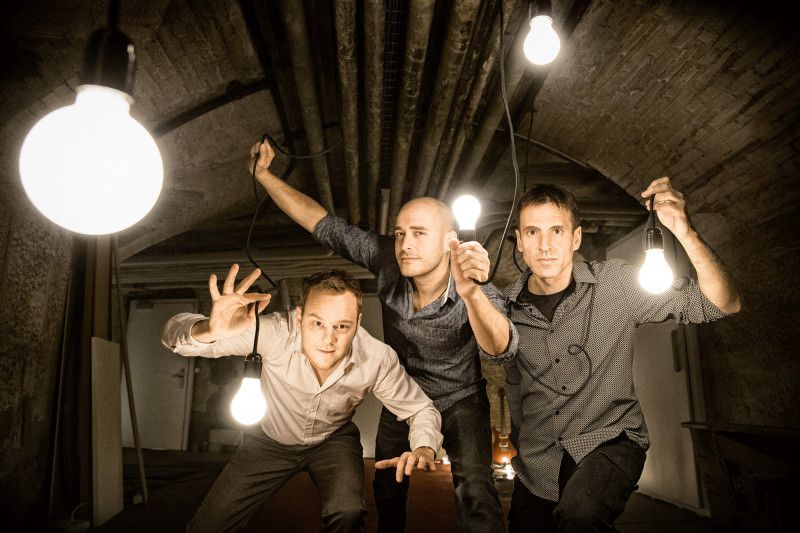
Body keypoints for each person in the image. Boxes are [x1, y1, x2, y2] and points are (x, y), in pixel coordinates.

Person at [248, 140, 517, 533]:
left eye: (419, 233)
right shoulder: (387, 258)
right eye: (400, 233)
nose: (405, 245)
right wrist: (264, 176)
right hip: (402, 395)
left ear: (450, 241)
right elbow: (322, 224)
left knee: (476, 492)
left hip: (461, 397)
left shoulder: (476, 288)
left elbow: (499, 350)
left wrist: (472, 292)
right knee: (387, 488)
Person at [495, 180, 741, 532]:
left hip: (610, 441)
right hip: (538, 461)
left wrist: (685, 231)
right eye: (533, 232)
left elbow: (722, 303)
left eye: (557, 231)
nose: (545, 245)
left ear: (576, 238)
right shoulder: (502, 310)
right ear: (520, 241)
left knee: (580, 516)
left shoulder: (617, 285)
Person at [162, 266, 443, 533]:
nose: (329, 339)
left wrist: (424, 448)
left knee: (348, 512)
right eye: (317, 323)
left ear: (358, 323)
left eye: (342, 326)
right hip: (269, 440)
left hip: (333, 440)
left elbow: (420, 409)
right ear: (299, 317)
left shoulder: (377, 358)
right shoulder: (274, 332)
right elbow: (172, 335)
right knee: (209, 524)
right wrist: (209, 330)